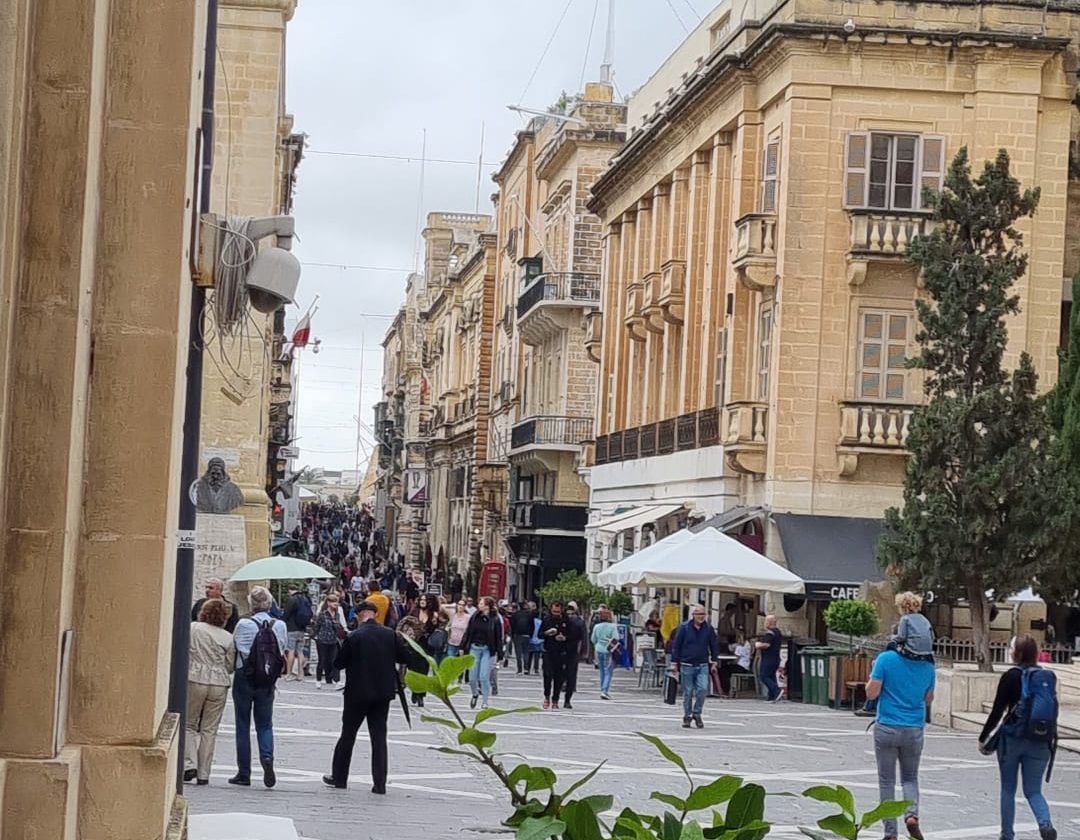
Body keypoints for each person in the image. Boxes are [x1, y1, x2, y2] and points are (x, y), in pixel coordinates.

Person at [322, 600, 424, 794]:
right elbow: (405, 658)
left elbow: (339, 663)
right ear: (375, 615)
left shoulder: (355, 636)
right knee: (379, 738)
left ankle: (340, 777)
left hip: (356, 694)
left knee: (348, 735)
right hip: (382, 694)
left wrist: (342, 643)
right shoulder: (390, 635)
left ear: (359, 616)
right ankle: (379, 784)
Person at [979, 635, 1058, 840]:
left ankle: (1007, 835)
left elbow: (997, 710)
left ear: (1017, 653)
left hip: (1012, 740)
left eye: (1011, 647)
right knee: (1034, 791)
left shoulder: (1011, 676)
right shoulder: (1046, 678)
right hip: (1040, 741)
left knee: (1008, 789)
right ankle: (1045, 824)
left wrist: (984, 737)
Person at [866, 633, 936, 840]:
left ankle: (890, 832)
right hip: (913, 728)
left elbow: (872, 693)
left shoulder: (885, 659)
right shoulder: (929, 667)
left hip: (887, 725)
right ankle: (912, 815)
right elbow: (929, 699)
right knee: (910, 778)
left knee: (886, 781)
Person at [230, 586, 287, 788]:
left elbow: (234, 648)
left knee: (242, 724)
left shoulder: (244, 623)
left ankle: (244, 772)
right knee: (265, 724)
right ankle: (267, 757)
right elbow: (282, 649)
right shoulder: (279, 625)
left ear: (251, 604)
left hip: (244, 676)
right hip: (267, 678)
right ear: (270, 604)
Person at [185, 598, 235, 785]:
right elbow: (230, 666)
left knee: (189, 725)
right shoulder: (227, 637)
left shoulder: (194, 628)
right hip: (219, 683)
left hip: (195, 677)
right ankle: (204, 773)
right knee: (209, 729)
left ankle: (189, 763)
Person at [671, 604, 719, 728]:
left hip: (702, 664)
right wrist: (674, 663)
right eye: (698, 614)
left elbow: (714, 645)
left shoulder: (708, 629)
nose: (701, 617)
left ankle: (697, 713)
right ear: (693, 615)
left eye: (703, 614)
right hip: (687, 664)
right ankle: (687, 716)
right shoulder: (684, 627)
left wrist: (714, 661)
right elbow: (676, 646)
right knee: (688, 692)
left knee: (703, 689)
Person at [461, 596, 502, 710]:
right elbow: (468, 632)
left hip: (488, 650)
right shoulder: (475, 617)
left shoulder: (495, 619)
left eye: (481, 603)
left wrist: (499, 654)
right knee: (472, 678)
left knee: (484, 677)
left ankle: (485, 701)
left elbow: (498, 637)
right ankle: (475, 693)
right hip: (475, 648)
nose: (479, 605)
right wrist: (463, 646)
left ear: (487, 606)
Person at [540, 601, 571, 710]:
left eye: (558, 612)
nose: (556, 613)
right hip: (548, 651)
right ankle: (547, 697)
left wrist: (564, 638)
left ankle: (555, 700)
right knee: (547, 676)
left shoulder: (566, 620)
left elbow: (572, 636)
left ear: (561, 610)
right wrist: (547, 633)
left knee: (559, 677)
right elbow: (540, 634)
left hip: (561, 652)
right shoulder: (546, 619)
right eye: (554, 611)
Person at [313, 594, 347, 689]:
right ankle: (318, 680)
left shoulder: (337, 614)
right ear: (328, 603)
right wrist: (316, 636)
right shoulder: (322, 614)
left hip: (333, 640)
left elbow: (339, 625)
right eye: (333, 602)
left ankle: (338, 681)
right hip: (322, 640)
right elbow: (317, 627)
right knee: (322, 661)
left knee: (334, 660)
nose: (335, 604)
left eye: (336, 602)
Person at [891, 592, 935, 661]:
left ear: (902, 607)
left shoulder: (905, 619)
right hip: (927, 652)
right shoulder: (923, 618)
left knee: (892, 646)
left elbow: (901, 637)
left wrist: (892, 637)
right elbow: (932, 636)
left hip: (913, 652)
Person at [283, 587, 313, 681]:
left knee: (291, 651)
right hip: (302, 629)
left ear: (291, 590)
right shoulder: (305, 599)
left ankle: (289, 674)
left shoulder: (292, 600)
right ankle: (301, 674)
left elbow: (286, 614)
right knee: (300, 651)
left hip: (292, 629)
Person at [591, 607, 620, 700]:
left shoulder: (596, 627)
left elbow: (593, 639)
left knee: (602, 670)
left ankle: (602, 688)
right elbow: (616, 638)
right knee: (608, 671)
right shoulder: (612, 627)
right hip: (609, 650)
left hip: (598, 649)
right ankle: (605, 691)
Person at [562, 602, 586, 708]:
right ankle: (565, 699)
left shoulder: (577, 622)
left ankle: (566, 699)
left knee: (569, 675)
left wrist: (580, 652)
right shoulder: (578, 622)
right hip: (564, 652)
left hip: (569, 652)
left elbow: (582, 639)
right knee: (569, 675)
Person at [755, 615, 783, 702]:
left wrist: (758, 645)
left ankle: (776, 690)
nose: (764, 623)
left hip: (768, 658)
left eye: (765, 621)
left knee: (764, 676)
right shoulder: (778, 632)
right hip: (776, 658)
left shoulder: (770, 633)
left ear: (769, 622)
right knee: (771, 676)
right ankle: (772, 696)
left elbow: (767, 644)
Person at [511, 601, 538, 674]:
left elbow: (512, 626)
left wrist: (512, 635)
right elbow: (532, 626)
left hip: (518, 635)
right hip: (527, 635)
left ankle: (519, 669)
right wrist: (531, 635)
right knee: (526, 652)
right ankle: (526, 668)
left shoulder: (515, 614)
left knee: (518, 653)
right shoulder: (530, 615)